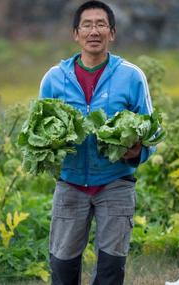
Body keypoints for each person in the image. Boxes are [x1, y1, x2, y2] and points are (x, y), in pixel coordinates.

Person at [38, 1, 155, 284]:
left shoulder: (131, 76)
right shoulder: (54, 79)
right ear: (75, 34)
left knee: (111, 271)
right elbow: (38, 130)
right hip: (70, 184)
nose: (94, 31)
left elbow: (151, 129)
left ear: (112, 33)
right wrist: (47, 148)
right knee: (62, 268)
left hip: (116, 183)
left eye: (101, 24)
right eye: (87, 25)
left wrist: (138, 150)